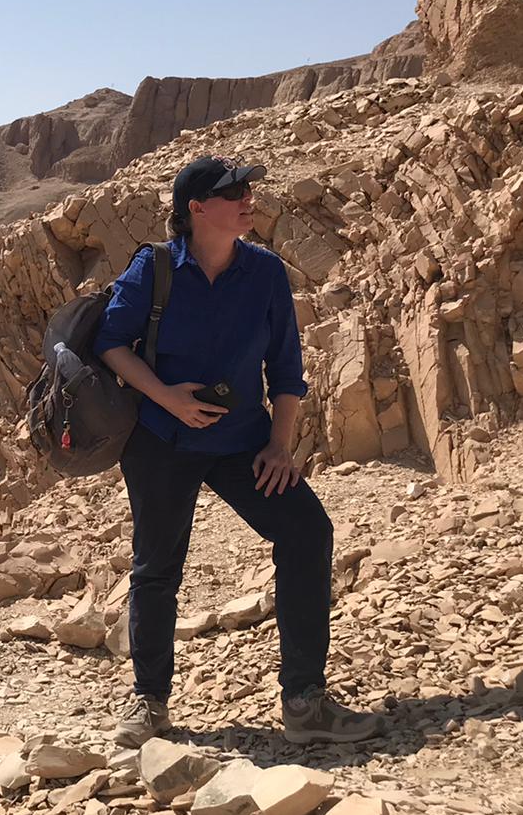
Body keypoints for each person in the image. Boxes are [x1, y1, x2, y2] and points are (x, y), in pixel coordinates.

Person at [93, 155, 387, 748]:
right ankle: (149, 703)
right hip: (161, 438)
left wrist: (281, 445)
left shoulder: (266, 273)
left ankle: (304, 702)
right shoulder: (153, 268)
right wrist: (166, 398)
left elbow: (285, 367)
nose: (248, 198)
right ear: (197, 208)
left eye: (249, 188)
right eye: (233, 192)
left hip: (241, 441)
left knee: (307, 532)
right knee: (157, 567)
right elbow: (110, 342)